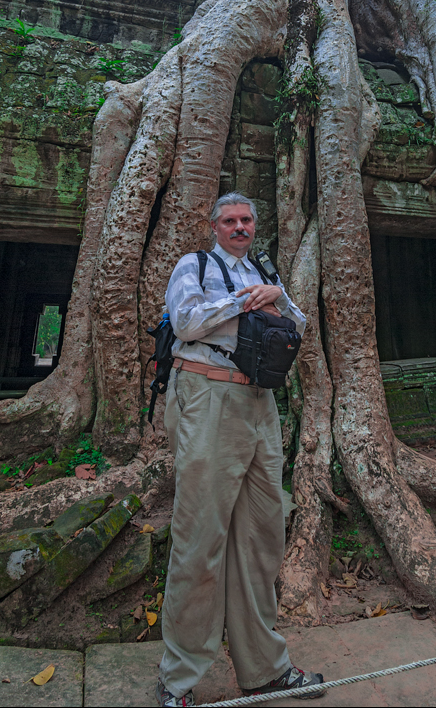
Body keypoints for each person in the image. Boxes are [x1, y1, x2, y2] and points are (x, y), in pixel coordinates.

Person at [155, 192, 324, 707]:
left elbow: (297, 327)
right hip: (207, 395)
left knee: (262, 534)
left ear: (256, 225)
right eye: (229, 220)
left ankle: (265, 669)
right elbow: (184, 321)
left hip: (259, 403)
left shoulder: (263, 271)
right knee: (200, 534)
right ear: (214, 226)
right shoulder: (195, 265)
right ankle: (179, 679)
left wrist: (275, 296)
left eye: (247, 219)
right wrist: (241, 302)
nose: (239, 227)